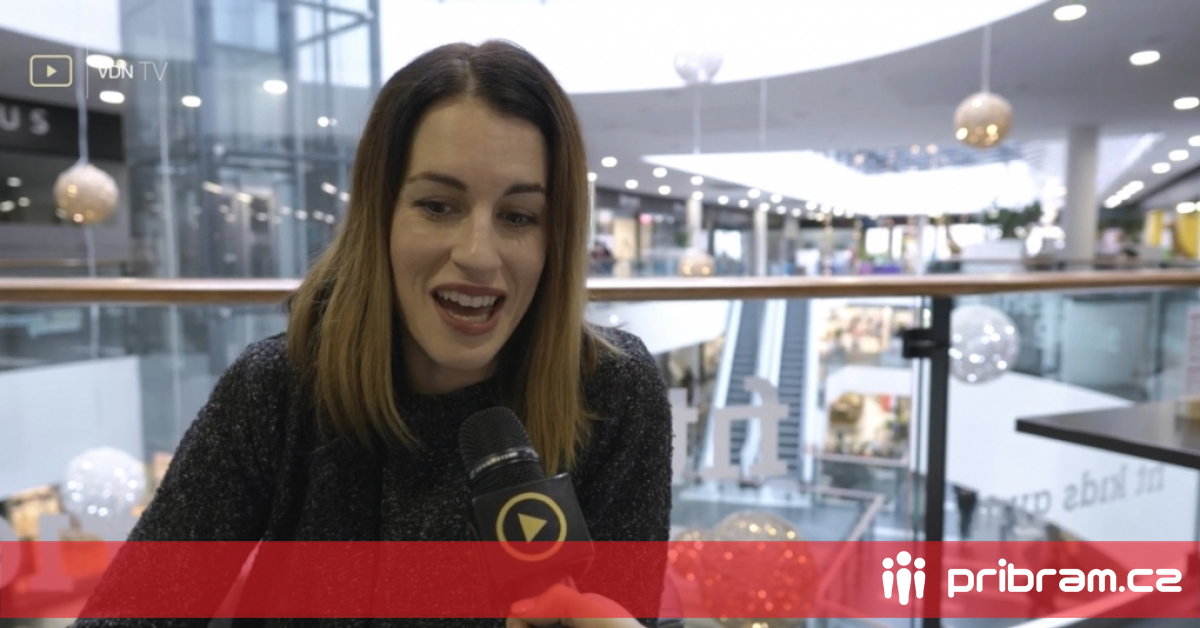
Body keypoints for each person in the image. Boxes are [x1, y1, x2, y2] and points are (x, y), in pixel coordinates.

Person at [73, 41, 673, 628]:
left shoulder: (613, 394)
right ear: (378, 215)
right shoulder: (275, 391)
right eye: (437, 206)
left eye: (518, 217)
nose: (477, 254)